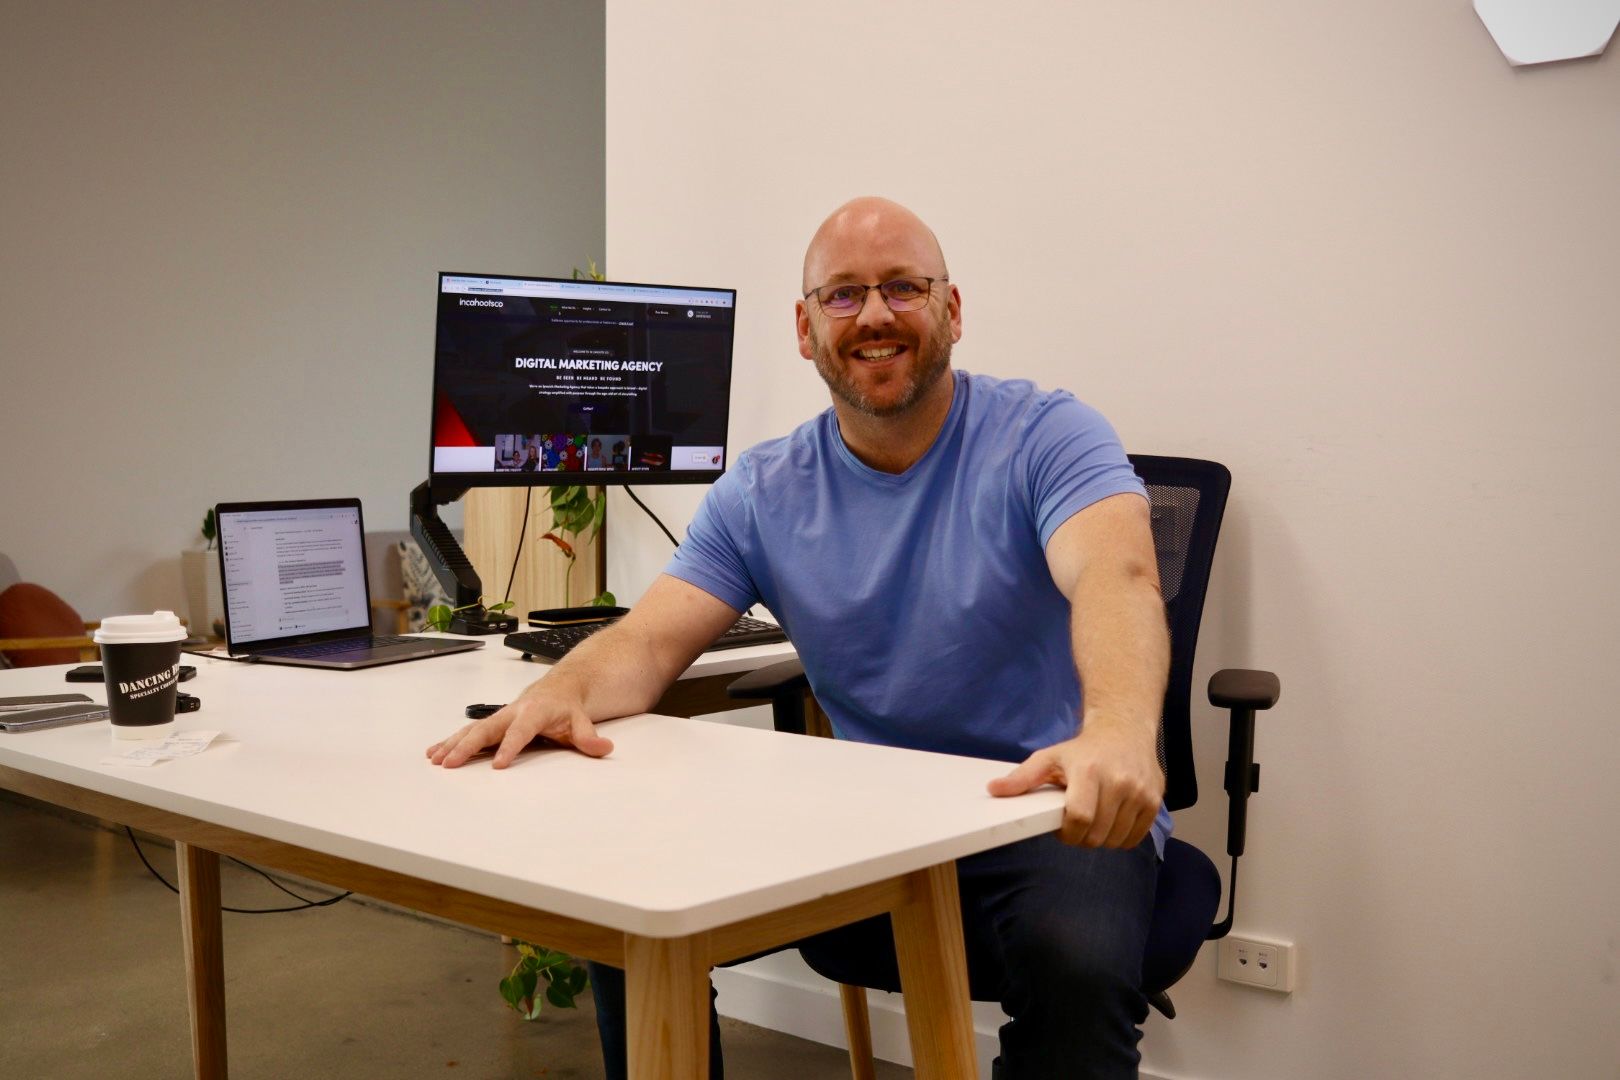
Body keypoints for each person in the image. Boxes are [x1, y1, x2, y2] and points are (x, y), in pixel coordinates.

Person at [428, 196, 1169, 1079]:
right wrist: (560, 692)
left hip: (1048, 803)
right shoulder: (765, 488)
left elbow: (1117, 577)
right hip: (869, 823)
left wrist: (1118, 730)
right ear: (806, 326)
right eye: (844, 295)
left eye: (903, 286)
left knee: (1076, 967)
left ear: (953, 310)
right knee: (624, 904)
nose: (876, 315)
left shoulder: (1048, 434)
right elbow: (653, 641)